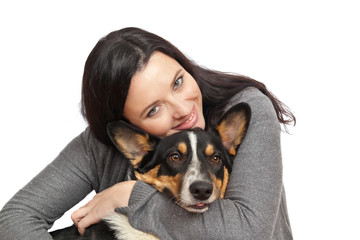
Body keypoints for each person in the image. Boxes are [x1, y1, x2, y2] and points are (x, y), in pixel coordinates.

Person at [0, 27, 295, 239]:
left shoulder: (245, 109)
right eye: (153, 109)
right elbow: (16, 218)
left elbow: (249, 231)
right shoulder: (99, 146)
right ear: (129, 127)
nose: (183, 109)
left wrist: (129, 195)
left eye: (178, 82)